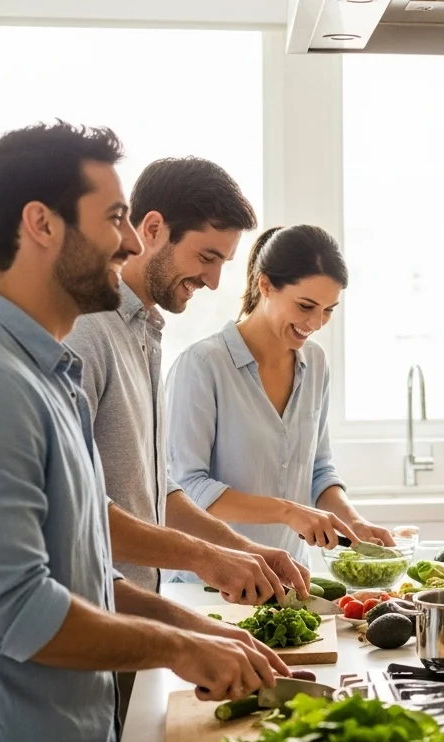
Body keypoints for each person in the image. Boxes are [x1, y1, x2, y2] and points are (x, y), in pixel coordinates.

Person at [0, 121, 287, 742]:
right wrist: (182, 650)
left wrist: (198, 630)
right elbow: (15, 612)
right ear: (42, 223)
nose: (128, 242)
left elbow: (83, 572)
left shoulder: (47, 375)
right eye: (115, 218)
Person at [67, 157, 308, 601]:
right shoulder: (85, 330)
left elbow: (158, 492)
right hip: (93, 623)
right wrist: (206, 557)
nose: (214, 282)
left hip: (136, 621)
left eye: (223, 263)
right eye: (206, 257)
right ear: (153, 228)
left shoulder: (146, 334)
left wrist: (246, 550)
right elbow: (72, 511)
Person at [166, 223, 393, 564]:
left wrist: (353, 522)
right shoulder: (202, 365)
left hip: (288, 577)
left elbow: (319, 470)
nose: (316, 323)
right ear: (266, 285)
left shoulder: (315, 363)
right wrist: (287, 512)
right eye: (305, 306)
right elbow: (187, 488)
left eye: (328, 310)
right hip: (212, 580)